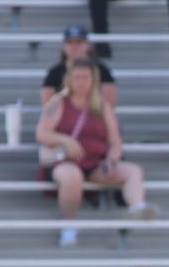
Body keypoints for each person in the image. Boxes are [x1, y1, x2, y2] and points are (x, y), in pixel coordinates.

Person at [36, 58, 158, 249]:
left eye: (85, 77)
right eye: (77, 77)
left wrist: (111, 160)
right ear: (69, 79)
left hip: (95, 163)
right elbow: (42, 133)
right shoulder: (58, 102)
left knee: (133, 171)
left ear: (93, 80)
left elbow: (116, 143)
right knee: (71, 176)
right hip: (66, 162)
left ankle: (137, 206)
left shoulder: (102, 106)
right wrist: (66, 140)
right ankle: (69, 227)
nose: (81, 82)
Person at [42, 25, 117, 112]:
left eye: (79, 42)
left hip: (95, 116)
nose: (74, 47)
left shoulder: (102, 69)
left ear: (88, 44)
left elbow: (109, 102)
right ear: (64, 46)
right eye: (70, 42)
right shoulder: (54, 72)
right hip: (64, 119)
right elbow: (48, 105)